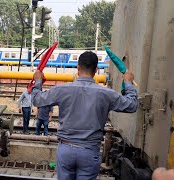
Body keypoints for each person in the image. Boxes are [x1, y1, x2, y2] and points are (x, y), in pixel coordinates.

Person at [31, 51, 138, 180]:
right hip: (89, 151)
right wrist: (128, 83)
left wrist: (38, 81)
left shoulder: (62, 90)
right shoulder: (106, 93)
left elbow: (37, 100)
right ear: (96, 70)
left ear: (78, 67)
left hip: (66, 150)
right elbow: (132, 105)